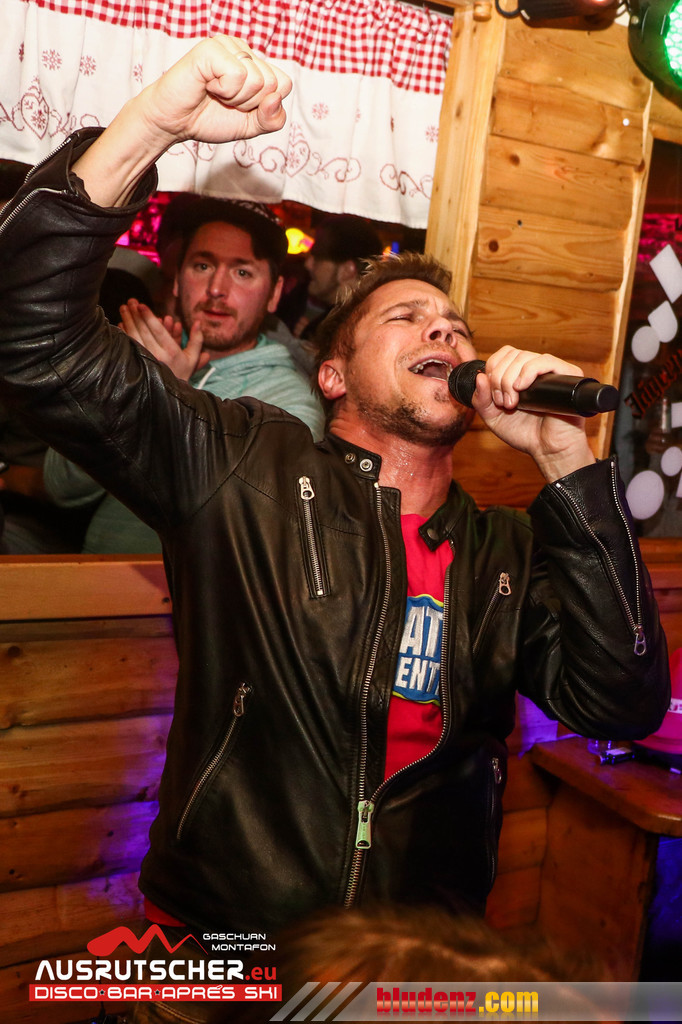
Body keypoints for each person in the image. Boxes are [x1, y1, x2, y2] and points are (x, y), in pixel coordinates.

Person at [0, 36, 670, 1024]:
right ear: (331, 375)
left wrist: (572, 469)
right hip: (224, 948)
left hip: (410, 966)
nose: (443, 330)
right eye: (406, 318)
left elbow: (621, 703)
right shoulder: (244, 465)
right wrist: (151, 124)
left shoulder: (503, 552)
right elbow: (30, 335)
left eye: (454, 323)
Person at [42, 196, 325, 553]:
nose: (217, 289)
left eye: (242, 272)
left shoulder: (290, 404)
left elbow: (248, 524)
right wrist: (128, 384)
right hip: (91, 577)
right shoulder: (143, 355)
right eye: (202, 266)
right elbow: (60, 487)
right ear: (177, 279)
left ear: (274, 294)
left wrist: (164, 395)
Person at [290, 214, 383, 338]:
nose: (308, 264)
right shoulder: (371, 322)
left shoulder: (341, 335)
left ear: (347, 271)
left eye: (317, 258)